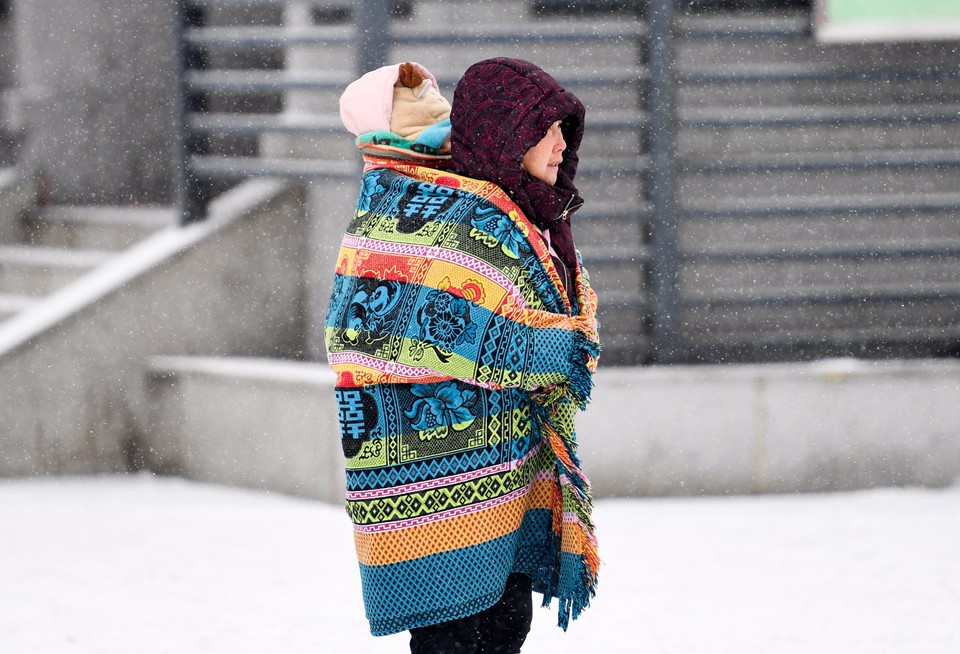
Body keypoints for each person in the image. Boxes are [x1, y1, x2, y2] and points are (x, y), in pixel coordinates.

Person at [325, 57, 601, 654]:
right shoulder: (415, 210)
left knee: (506, 626)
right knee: (451, 634)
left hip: (507, 464)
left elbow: (557, 309)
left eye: (563, 130)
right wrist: (547, 351)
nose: (559, 145)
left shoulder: (521, 214)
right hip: (428, 472)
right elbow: (363, 324)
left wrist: (566, 344)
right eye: (545, 128)